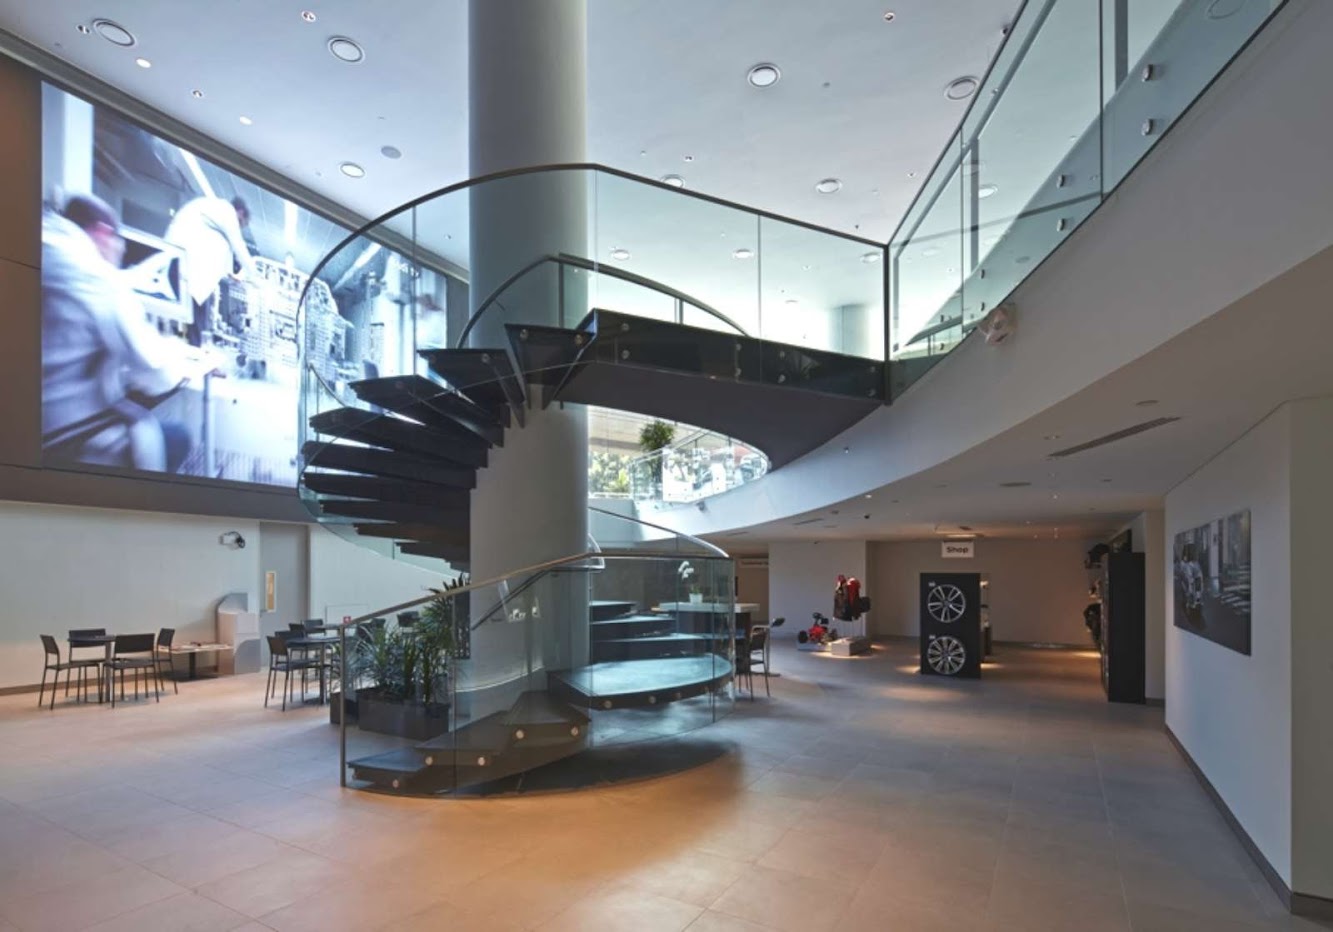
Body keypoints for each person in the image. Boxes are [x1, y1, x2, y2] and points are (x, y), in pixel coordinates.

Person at [41, 194, 200, 471]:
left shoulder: (42, 247)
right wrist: (183, 360)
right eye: (119, 248)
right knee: (177, 437)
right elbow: (156, 372)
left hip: (24, 428)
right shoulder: (96, 275)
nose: (118, 258)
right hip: (66, 441)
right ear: (104, 232)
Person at [164, 195, 254, 346]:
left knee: (193, 326)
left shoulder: (212, 219)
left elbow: (224, 259)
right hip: (182, 266)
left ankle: (191, 349)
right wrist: (255, 276)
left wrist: (232, 275)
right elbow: (239, 246)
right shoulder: (226, 211)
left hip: (186, 270)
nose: (238, 228)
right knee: (193, 326)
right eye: (240, 223)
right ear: (240, 212)